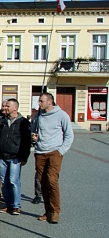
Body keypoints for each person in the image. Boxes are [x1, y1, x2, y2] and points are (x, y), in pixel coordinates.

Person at [31, 92, 74, 224]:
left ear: (50, 102)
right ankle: (47, 211)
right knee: (42, 182)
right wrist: (33, 137)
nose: (39, 103)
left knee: (52, 180)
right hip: (40, 152)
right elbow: (33, 130)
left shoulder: (61, 115)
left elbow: (69, 135)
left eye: (41, 101)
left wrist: (61, 151)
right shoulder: (38, 115)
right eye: (39, 101)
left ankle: (55, 211)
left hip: (54, 152)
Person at [0, 98, 31, 216]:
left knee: (14, 181)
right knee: (4, 181)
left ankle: (16, 206)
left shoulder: (23, 122)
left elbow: (26, 142)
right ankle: (8, 205)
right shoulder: (2, 121)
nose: (5, 108)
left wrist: (24, 157)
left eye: (8, 106)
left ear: (15, 108)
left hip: (15, 157)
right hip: (3, 155)